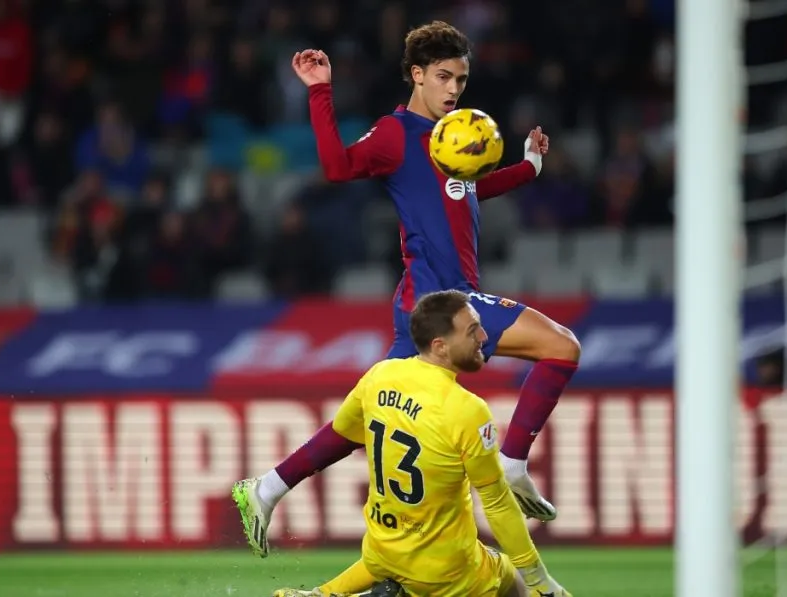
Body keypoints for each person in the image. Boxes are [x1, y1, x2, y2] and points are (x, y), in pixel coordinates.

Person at [234, 20, 582, 556]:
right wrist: (321, 91)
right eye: (442, 77)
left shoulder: (452, 140)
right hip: (440, 302)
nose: (452, 90)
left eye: (461, 80)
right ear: (417, 75)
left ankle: (267, 487)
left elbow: (468, 190)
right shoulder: (396, 134)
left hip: (427, 304)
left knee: (367, 414)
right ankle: (511, 461)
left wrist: (529, 168)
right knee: (561, 346)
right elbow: (336, 166)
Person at [259, 291, 572, 597]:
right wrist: (539, 578)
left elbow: (342, 434)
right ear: (440, 346)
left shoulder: (379, 376)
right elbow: (498, 504)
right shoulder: (467, 409)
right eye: (472, 330)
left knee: (409, 562)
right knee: (515, 582)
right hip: (447, 572)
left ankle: (325, 594)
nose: (485, 337)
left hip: (383, 550)